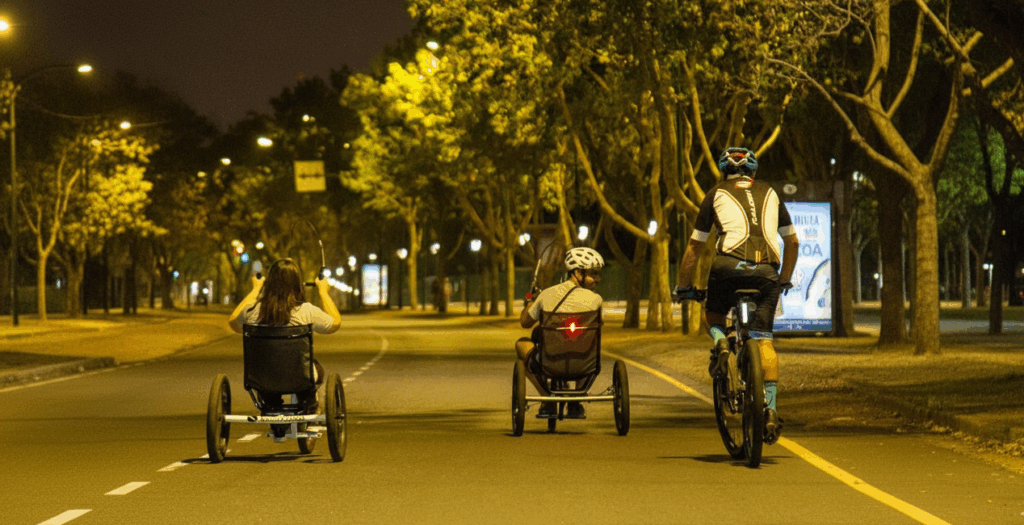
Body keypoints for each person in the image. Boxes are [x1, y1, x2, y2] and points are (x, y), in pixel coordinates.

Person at [673, 147, 799, 444]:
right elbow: (792, 243)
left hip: (727, 268)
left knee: (714, 316)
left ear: (723, 172)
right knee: (763, 339)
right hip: (767, 272)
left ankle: (721, 345)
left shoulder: (714, 195)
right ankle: (770, 408)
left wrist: (683, 286)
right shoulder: (771, 193)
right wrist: (783, 281)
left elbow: (694, 248)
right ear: (753, 172)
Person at [228, 258, 342, 409]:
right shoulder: (306, 311)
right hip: (300, 378)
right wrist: (323, 292)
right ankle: (308, 401)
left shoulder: (252, 311)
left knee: (268, 370)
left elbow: (233, 322)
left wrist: (255, 290)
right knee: (316, 369)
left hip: (262, 379)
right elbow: (335, 323)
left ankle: (271, 402)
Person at [516, 246, 604, 419]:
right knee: (586, 342)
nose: (597, 279)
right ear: (578, 273)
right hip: (585, 364)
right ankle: (576, 399)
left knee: (521, 344)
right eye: (593, 274)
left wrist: (529, 300)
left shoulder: (547, 295)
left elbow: (525, 322)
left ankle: (547, 398)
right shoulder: (596, 300)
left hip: (550, 362)